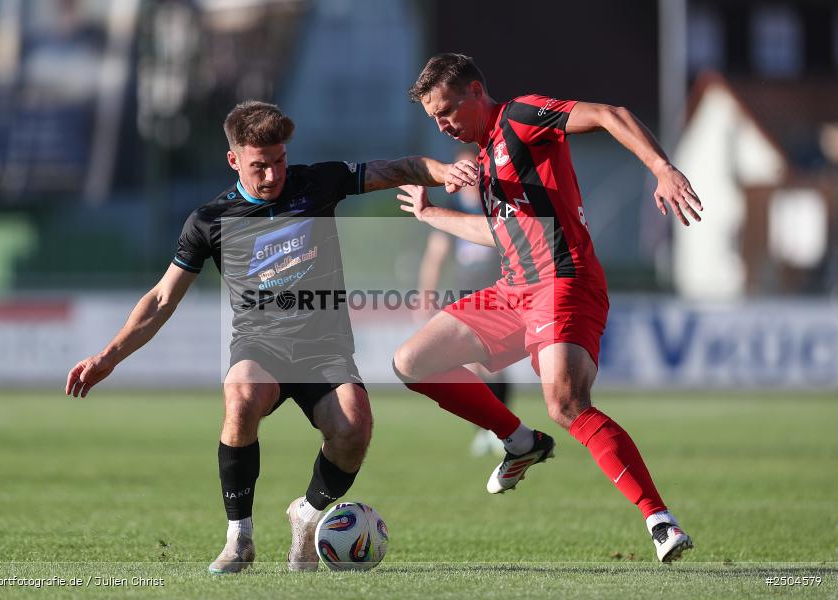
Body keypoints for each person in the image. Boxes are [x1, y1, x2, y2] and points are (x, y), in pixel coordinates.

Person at [64, 100, 473, 573]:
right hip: (262, 347)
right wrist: (109, 357)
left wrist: (442, 171)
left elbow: (398, 166)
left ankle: (307, 514)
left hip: (324, 348)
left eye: (279, 161)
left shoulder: (317, 182)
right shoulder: (209, 221)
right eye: (260, 165)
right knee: (240, 396)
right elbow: (161, 300)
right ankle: (239, 537)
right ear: (234, 160)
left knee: (353, 430)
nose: (273, 174)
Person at [394, 53, 702, 562]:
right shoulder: (487, 160)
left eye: (447, 110)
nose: (443, 124)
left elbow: (610, 114)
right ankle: (519, 441)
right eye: (434, 119)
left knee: (565, 403)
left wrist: (661, 168)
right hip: (514, 290)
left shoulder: (520, 115)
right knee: (410, 362)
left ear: (475, 92)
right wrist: (430, 215)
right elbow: (497, 235)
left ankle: (660, 522)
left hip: (562, 279)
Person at [416, 146, 512, 457]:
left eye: (472, 168)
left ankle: (505, 431)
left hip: (499, 290)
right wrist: (425, 294)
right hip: (467, 293)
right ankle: (486, 431)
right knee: (472, 365)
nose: (466, 174)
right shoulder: (450, 206)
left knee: (495, 364)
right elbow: (436, 256)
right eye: (460, 168)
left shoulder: (496, 203)